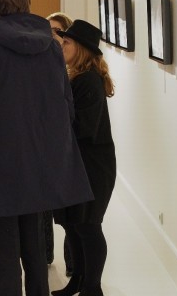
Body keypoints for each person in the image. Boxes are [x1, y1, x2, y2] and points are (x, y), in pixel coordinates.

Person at [0, 0, 94, 296]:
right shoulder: (51, 45)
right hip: (37, 165)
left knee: (6, 264)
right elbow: (66, 105)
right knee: (35, 257)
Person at [52, 20, 117, 296]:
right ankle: (78, 280)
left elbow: (83, 128)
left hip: (93, 168)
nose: (62, 46)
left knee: (88, 226)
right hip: (79, 165)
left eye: (66, 42)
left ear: (80, 48)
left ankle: (92, 287)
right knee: (75, 226)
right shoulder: (77, 78)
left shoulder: (88, 80)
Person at [45, 11, 75, 276]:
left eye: (58, 31)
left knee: (68, 211)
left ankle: (71, 262)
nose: (53, 35)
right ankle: (45, 254)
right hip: (46, 148)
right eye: (49, 30)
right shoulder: (43, 63)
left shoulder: (74, 70)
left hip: (67, 148)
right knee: (43, 206)